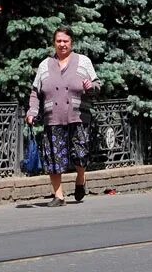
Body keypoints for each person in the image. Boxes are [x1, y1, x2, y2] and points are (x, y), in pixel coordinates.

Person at [27, 26, 101, 206]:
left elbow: (98, 85)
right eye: (58, 41)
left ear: (71, 43)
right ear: (54, 43)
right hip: (53, 118)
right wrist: (32, 111)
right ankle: (58, 196)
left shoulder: (83, 62)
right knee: (54, 157)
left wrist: (90, 87)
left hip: (79, 117)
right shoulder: (45, 65)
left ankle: (80, 178)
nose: (62, 44)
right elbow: (36, 92)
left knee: (80, 154)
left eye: (65, 41)